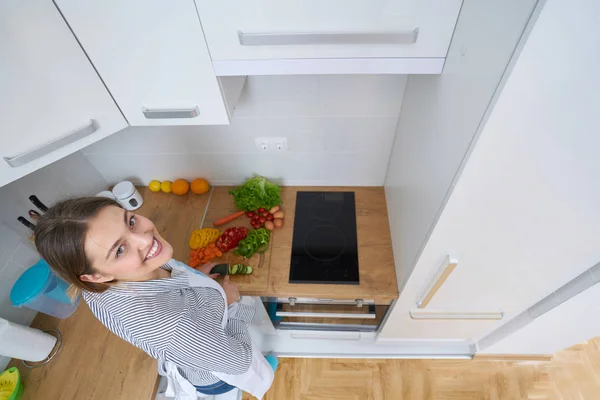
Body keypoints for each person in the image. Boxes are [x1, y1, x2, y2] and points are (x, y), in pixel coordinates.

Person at [34, 197, 275, 399]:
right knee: (248, 367)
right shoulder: (172, 327)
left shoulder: (97, 284)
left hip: (201, 343)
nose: (146, 239)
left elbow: (158, 263)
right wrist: (234, 306)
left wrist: (192, 276)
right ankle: (264, 367)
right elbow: (239, 362)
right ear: (96, 276)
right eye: (119, 250)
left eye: (130, 221)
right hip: (217, 374)